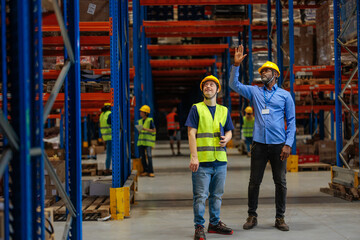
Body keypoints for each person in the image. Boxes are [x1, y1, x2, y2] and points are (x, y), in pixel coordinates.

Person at [229, 45, 296, 231]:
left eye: (267, 70)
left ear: (276, 75)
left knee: (280, 182)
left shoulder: (285, 96)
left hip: (279, 145)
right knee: (254, 181)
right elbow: (234, 85)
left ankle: (280, 218)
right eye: (262, 70)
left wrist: (288, 144)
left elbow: (291, 122)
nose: (263, 72)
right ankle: (252, 215)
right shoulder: (254, 92)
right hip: (258, 144)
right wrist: (235, 65)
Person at [186, 75, 234, 240]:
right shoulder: (196, 108)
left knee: (217, 195)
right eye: (205, 85)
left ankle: (214, 224)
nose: (208, 87)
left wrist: (227, 138)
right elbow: (191, 133)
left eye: (212, 85)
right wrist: (194, 157)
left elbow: (229, 130)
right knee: (200, 196)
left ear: (217, 89)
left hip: (220, 161)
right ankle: (199, 226)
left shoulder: (224, 110)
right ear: (203, 90)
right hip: (202, 162)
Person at [136, 105, 156, 177]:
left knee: (149, 156)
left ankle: (151, 171)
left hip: (148, 142)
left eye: (142, 112)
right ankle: (145, 170)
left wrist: (145, 129)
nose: (140, 113)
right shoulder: (140, 121)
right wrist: (140, 131)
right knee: (142, 157)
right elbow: (140, 132)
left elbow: (154, 130)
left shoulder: (150, 120)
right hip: (141, 142)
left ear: (146, 113)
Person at [99, 103, 112, 175]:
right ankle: (107, 169)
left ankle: (107, 168)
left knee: (108, 153)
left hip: (106, 137)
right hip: (111, 136)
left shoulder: (102, 115)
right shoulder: (109, 114)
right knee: (112, 153)